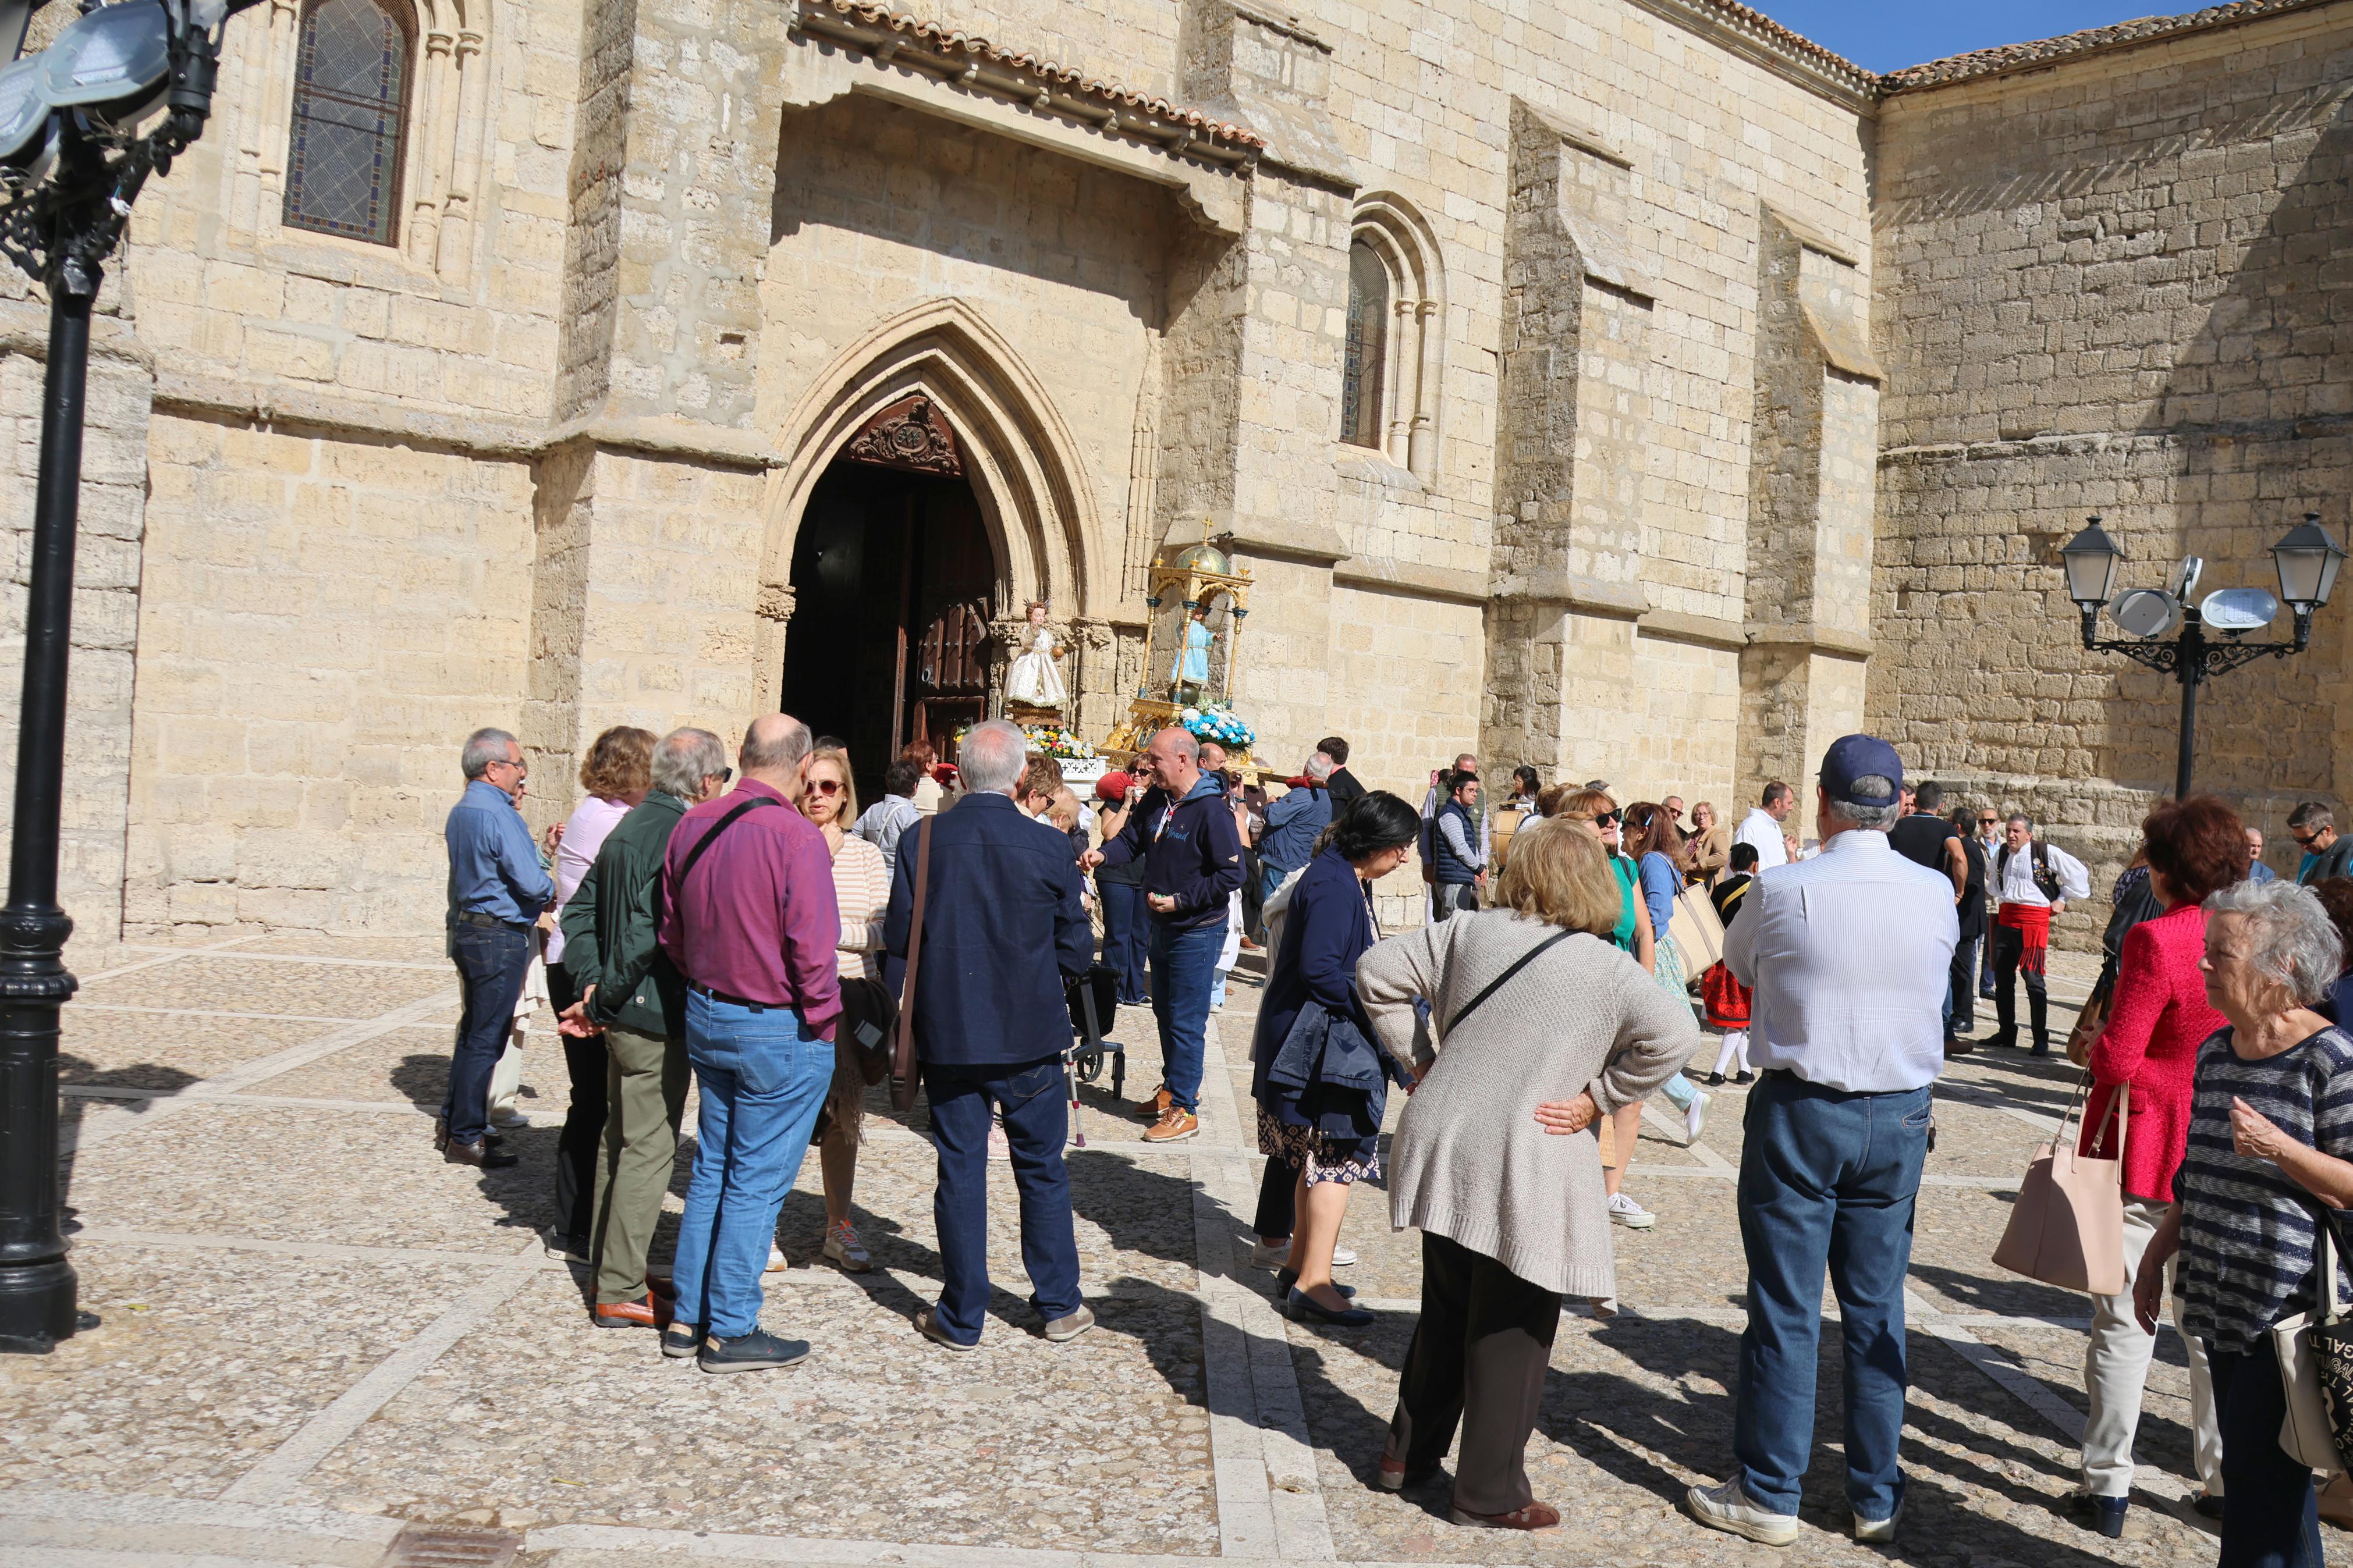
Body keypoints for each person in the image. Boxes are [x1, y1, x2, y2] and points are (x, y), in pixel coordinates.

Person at [1361, 819, 1699, 1530]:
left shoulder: (1467, 930)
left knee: (1448, 1307)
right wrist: (1596, 1099)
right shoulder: (1603, 967)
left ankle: (1406, 1456)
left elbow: (1375, 973)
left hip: (1448, 1138)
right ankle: (1487, 1492)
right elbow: (1676, 1034)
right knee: (1512, 1326)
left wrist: (1418, 1058)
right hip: (1525, 1155)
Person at [1686, 734, 1957, 1548]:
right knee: (1876, 1306)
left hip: (1804, 1106)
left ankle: (1770, 1486)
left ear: (1823, 801)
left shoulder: (1782, 886)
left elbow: (1733, 961)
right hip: (1900, 1110)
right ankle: (1874, 1489)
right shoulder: (1934, 891)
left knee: (1786, 1302)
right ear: (1898, 804)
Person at [2133, 878, 2353, 1568]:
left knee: (2255, 1505)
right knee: (2274, 1499)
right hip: (2216, 1302)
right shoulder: (2216, 1052)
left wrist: (2280, 1149)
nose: (2202, 966)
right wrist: (2155, 1255)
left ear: (2279, 966)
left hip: (2287, 1319)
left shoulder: (2330, 1061)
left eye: (2219, 953)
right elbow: (2193, 1176)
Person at [884, 719, 1096, 1349]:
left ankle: (961, 1314)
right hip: (1029, 1032)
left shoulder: (922, 839)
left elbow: (899, 940)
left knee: (961, 1167)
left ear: (961, 772)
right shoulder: (1049, 846)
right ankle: (1058, 1303)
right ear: (1020, 778)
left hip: (950, 1030)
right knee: (1041, 1169)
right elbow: (1076, 950)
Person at [2067, 796, 2239, 1536]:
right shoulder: (2250, 937)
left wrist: (2095, 1041)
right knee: (2206, 1328)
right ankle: (2224, 1478)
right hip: (2220, 1149)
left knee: (2122, 1321)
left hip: (2145, 1143)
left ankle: (2106, 1484)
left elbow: (2119, 1055)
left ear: (2167, 870)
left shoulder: (2156, 940)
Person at [657, 714, 843, 1374]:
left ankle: (689, 1314)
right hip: (776, 1023)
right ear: (799, 766)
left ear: (741, 755)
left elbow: (671, 931)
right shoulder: (797, 837)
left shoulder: (691, 824)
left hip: (709, 1013)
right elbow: (812, 949)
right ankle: (731, 1326)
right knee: (756, 1181)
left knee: (714, 1164)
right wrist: (824, 1022)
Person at [558, 727, 731, 1329]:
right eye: (723, 778)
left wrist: (587, 984)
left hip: (622, 1010)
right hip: (651, 1013)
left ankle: (615, 1268)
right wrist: (600, 997)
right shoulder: (676, 832)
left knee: (620, 1139)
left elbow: (576, 911)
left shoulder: (628, 825)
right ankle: (620, 1286)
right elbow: (642, 933)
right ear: (706, 781)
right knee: (650, 1148)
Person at [1251, 792, 1421, 1327]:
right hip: (1320, 1048)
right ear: (1375, 845)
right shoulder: (1331, 884)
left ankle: (1302, 1265)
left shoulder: (1337, 876)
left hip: (1312, 1041)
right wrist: (1378, 1011)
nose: (1405, 859)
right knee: (1335, 1160)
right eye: (1401, 848)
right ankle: (1313, 1285)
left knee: (1314, 1157)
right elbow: (1322, 970)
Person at [1082, 726, 1244, 1143]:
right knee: (1165, 1013)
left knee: (1187, 1020)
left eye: (1153, 759)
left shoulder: (1212, 811)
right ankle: (1173, 1086)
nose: (1146, 765)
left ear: (1182, 760)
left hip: (1195, 929)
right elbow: (1133, 839)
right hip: (1163, 925)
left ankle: (1185, 1109)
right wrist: (1104, 853)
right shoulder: (1158, 799)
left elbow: (1232, 873)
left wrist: (1181, 901)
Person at [1551, 789, 1700, 1228]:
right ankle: (1560, 1187)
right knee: (1570, 1093)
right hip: (1577, 998)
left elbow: (1645, 932)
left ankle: (1608, 1193)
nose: (1613, 823)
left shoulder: (1626, 865)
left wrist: (1644, 988)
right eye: (1601, 819)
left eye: (1615, 815)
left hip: (1621, 996)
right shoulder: (1566, 869)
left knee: (1628, 1100)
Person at [541, 726, 655, 1260]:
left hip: (575, 959)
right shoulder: (611, 819)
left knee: (592, 1098)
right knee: (591, 1098)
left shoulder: (597, 813)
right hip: (580, 963)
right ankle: (574, 1224)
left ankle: (579, 1221)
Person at [441, 727, 554, 1170]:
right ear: (493, 769)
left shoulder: (463, 808)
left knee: (474, 1035)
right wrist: (548, 885)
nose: (521, 772)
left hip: (471, 930)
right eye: (517, 764)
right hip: (497, 933)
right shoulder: (497, 813)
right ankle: (466, 1136)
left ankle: (456, 1123)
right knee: (487, 1038)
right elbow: (530, 880)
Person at [797, 746, 890, 1275]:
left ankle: (838, 1224)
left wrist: (831, 934)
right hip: (794, 996)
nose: (817, 795)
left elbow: (883, 929)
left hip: (850, 995)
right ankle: (760, 1224)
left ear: (845, 794)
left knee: (842, 1116)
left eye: (828, 787)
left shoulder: (865, 855)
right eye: (809, 785)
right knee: (785, 1114)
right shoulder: (783, 843)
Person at [1991, 813, 2092, 1055]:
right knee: (2003, 979)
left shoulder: (2044, 851)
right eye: (2008, 830)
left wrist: (2062, 900)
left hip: (2033, 923)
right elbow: (1994, 882)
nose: (2011, 835)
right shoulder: (2002, 853)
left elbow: (2077, 875)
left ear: (2029, 834)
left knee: (2034, 981)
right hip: (2007, 920)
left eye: (2016, 831)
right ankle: (2007, 1031)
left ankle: (2040, 1038)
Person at [1702, 842, 1759, 1084]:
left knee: (1740, 1019)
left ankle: (1745, 1070)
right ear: (1755, 866)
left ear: (1732, 865)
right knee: (1738, 1020)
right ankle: (1718, 1071)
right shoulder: (1759, 888)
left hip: (1723, 960)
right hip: (1748, 962)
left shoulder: (1721, 889)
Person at [1091, 771, 1149, 1008]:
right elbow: (1110, 833)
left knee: (1140, 937)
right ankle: (1112, 991)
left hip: (1144, 877)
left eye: (1144, 773)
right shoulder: (1114, 803)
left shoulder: (1155, 806)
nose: (1137, 775)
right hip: (1116, 875)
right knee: (1117, 935)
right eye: (1134, 770)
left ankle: (1134, 991)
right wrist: (1127, 804)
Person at [1261, 753, 1335, 905]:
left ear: (1306, 767)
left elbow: (1274, 817)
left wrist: (1270, 804)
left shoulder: (1304, 793)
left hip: (1282, 864)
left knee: (1271, 914)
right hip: (1300, 862)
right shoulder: (1325, 798)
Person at [1946, 805, 1990, 1053]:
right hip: (1963, 917)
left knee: (1963, 968)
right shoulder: (1967, 847)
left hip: (1967, 918)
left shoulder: (1969, 849)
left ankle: (1965, 1016)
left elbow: (1972, 882)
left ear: (1958, 827)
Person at [851, 755, 927, 876]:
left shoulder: (873, 810)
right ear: (915, 786)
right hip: (897, 879)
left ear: (888, 782)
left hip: (873, 876)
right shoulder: (911, 816)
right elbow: (917, 853)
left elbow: (853, 837)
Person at [1429, 768, 1485, 921]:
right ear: (1458, 790)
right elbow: (1460, 848)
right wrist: (1479, 867)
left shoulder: (1461, 813)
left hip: (1459, 878)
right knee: (1453, 927)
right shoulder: (1451, 814)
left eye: (1476, 791)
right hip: (1453, 880)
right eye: (1471, 790)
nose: (1475, 794)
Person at [1004, 599, 1067, 709]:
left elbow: (1050, 648)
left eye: (1043, 616)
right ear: (1030, 616)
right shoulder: (1027, 630)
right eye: (1037, 616)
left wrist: (1056, 655)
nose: (1041, 618)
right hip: (1029, 663)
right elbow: (1025, 641)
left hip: (1045, 665)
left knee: (1047, 688)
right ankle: (1025, 707)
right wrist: (1034, 630)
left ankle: (1045, 709)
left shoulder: (1046, 634)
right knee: (1027, 686)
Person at [1733, 782, 1794, 873]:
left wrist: (1791, 854)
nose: (1791, 808)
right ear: (1777, 802)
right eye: (1789, 803)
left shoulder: (1776, 827)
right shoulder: (1749, 828)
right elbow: (1742, 870)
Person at [2290, 801, 2353, 885]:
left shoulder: (2350, 856)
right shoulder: (2309, 859)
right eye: (2298, 840)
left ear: (2328, 831)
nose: (2303, 847)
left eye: (2308, 840)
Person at [1685, 800, 1730, 886]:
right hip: (1687, 883)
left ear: (1712, 816)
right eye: (1698, 814)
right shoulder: (1690, 836)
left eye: (1706, 814)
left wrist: (1695, 866)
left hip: (1705, 884)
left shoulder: (1718, 834)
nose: (1702, 817)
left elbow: (1723, 856)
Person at [902, 739, 947, 815]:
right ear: (928, 766)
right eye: (935, 757)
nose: (937, 760)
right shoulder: (944, 794)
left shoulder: (902, 791)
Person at [1318, 736, 1367, 807]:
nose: (1317, 759)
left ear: (1330, 757)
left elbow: (1335, 817)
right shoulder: (1349, 780)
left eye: (1320, 755)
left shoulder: (1336, 786)